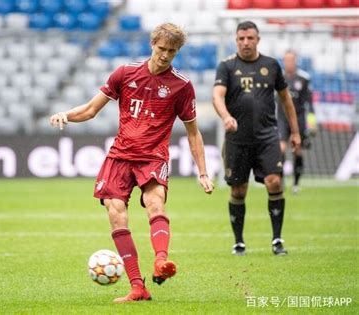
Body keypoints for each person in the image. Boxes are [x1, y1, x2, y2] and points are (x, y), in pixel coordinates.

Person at [50, 23, 214, 302]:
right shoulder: (125, 73)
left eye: (172, 52)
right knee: (115, 213)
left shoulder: (182, 86)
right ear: (152, 44)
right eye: (162, 49)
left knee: (155, 204)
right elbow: (90, 110)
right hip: (120, 156)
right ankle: (138, 287)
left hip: (153, 156)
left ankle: (161, 261)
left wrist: (203, 172)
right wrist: (66, 114)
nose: (165, 55)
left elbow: (192, 132)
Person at [212, 21, 301, 256]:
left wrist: (295, 132)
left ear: (257, 39)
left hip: (267, 137)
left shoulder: (271, 65)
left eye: (250, 38)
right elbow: (217, 96)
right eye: (241, 39)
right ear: (236, 40)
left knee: (274, 181)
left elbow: (286, 100)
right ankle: (239, 241)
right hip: (237, 139)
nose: (245, 42)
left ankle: (277, 240)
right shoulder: (227, 66)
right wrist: (226, 116)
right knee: (238, 191)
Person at [277, 49, 316, 194]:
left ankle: (296, 183)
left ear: (296, 61)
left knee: (296, 150)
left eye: (291, 60)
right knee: (280, 149)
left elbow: (309, 103)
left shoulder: (303, 78)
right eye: (286, 60)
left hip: (298, 119)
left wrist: (311, 123)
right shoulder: (278, 77)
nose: (289, 62)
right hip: (282, 118)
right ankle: (280, 182)